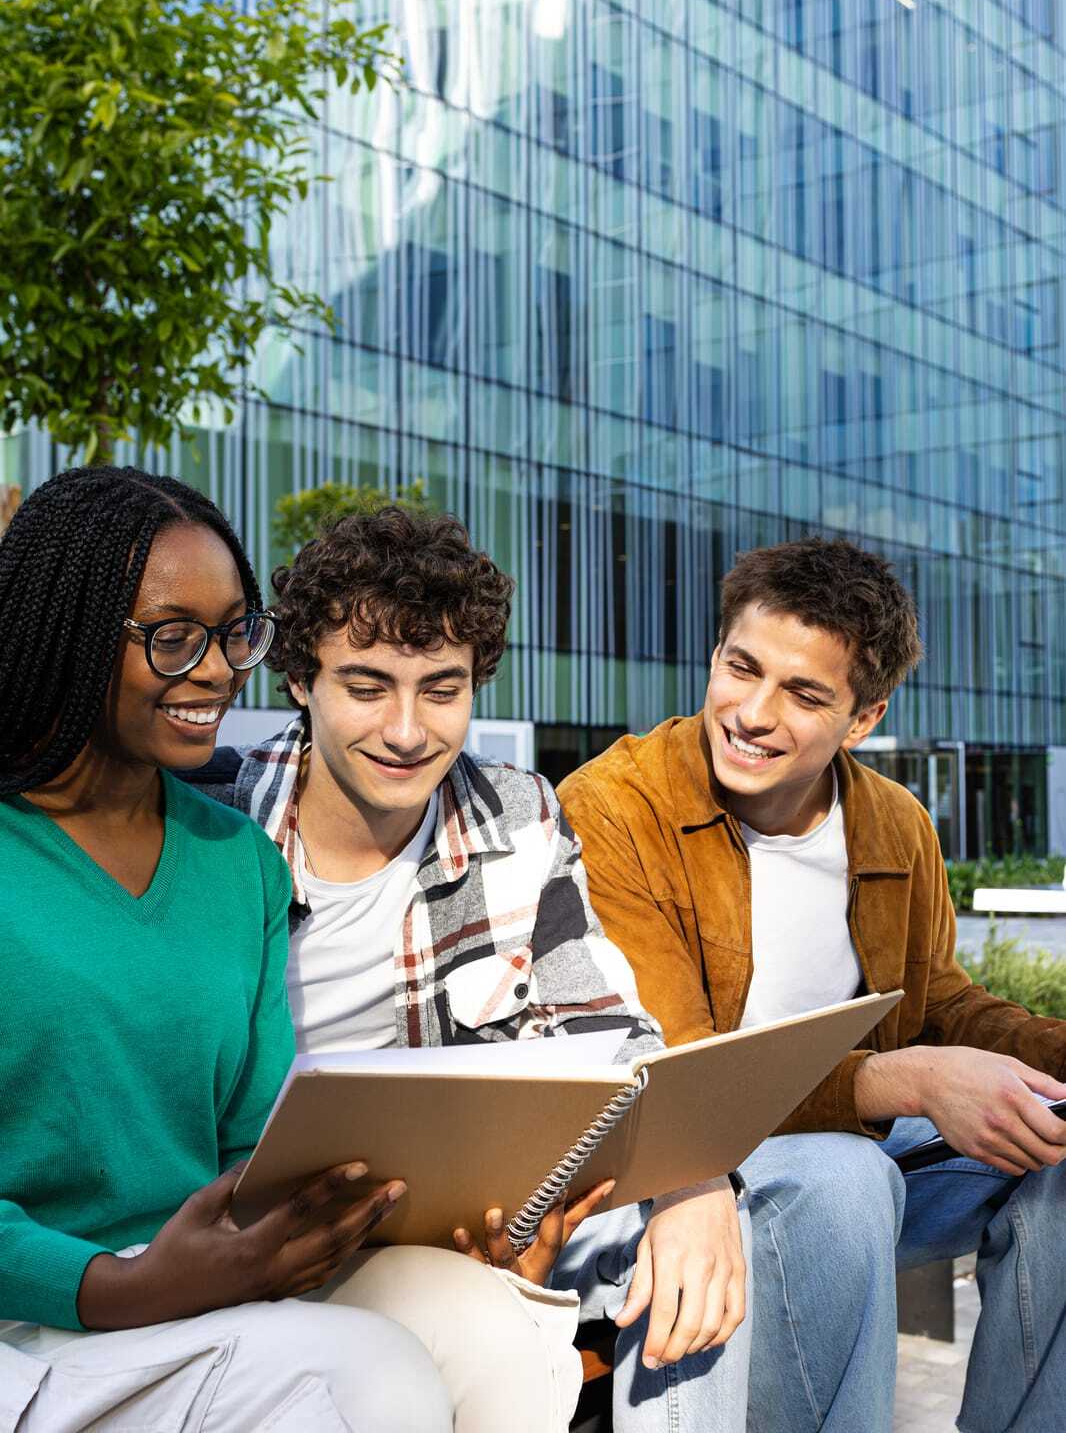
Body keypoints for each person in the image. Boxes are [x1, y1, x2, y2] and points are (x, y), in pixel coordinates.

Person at [188, 504, 752, 1433]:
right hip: (253, 1227)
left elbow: (608, 1032)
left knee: (699, 1255)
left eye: (441, 689)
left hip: (459, 1219)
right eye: (367, 687)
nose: (408, 731)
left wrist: (695, 1188)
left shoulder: (515, 812)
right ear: (299, 680)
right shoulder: (210, 821)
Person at [558, 534, 1066, 1433]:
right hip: (673, 1169)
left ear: (863, 718)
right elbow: (674, 1070)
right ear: (715, 654)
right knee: (842, 1176)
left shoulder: (894, 823)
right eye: (740, 668)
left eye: (803, 694)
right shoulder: (615, 803)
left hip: (858, 1158)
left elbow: (940, 1004)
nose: (752, 713)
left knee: (1058, 1155)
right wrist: (897, 1080)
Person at [0, 465, 457, 1432]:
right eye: (172, 638)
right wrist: (123, 1287)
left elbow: (259, 1140)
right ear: (67, 635)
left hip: (206, 1295)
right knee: (367, 1375)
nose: (214, 670)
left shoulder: (239, 862)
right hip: (34, 1320)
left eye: (233, 632)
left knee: (489, 1328)